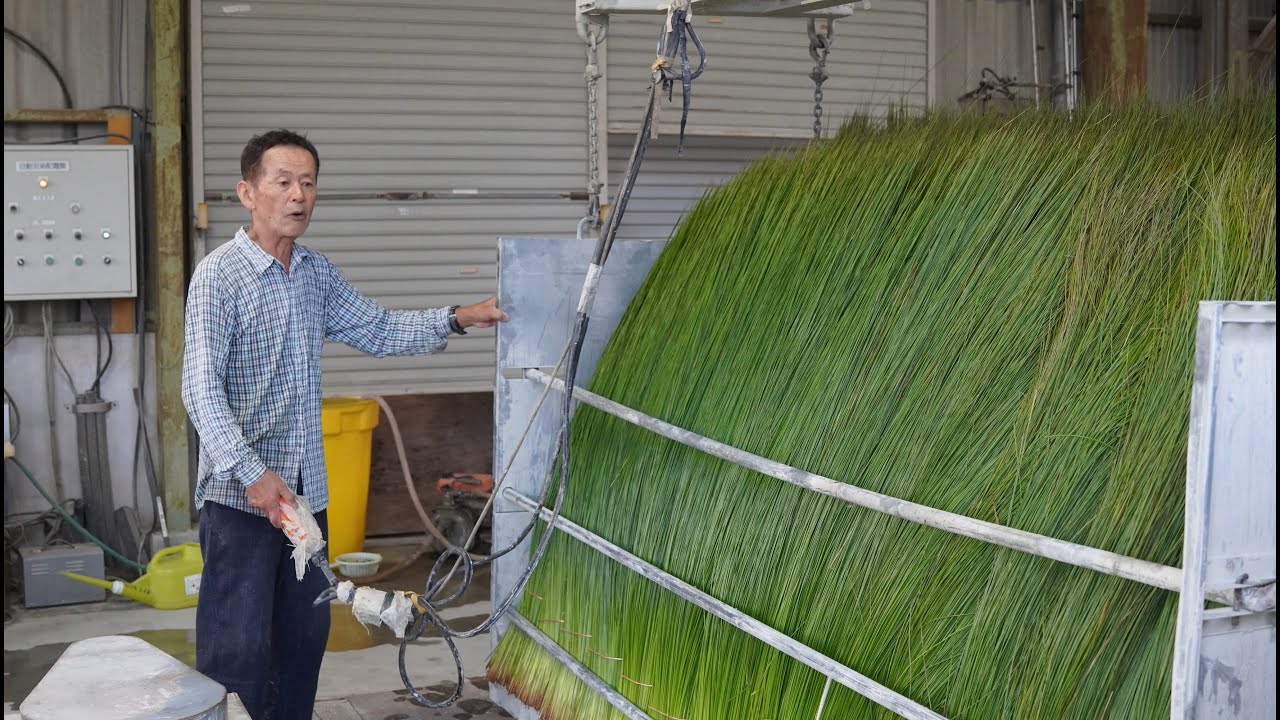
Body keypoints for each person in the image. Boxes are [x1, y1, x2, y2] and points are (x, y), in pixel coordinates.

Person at [181, 128, 508, 720]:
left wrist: (461, 318)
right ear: (247, 192)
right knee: (238, 653)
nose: (298, 195)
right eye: (282, 182)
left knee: (302, 648)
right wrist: (252, 473)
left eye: (308, 183)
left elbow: (378, 330)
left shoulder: (313, 273)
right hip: (241, 503)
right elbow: (200, 391)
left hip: (306, 504)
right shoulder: (218, 278)